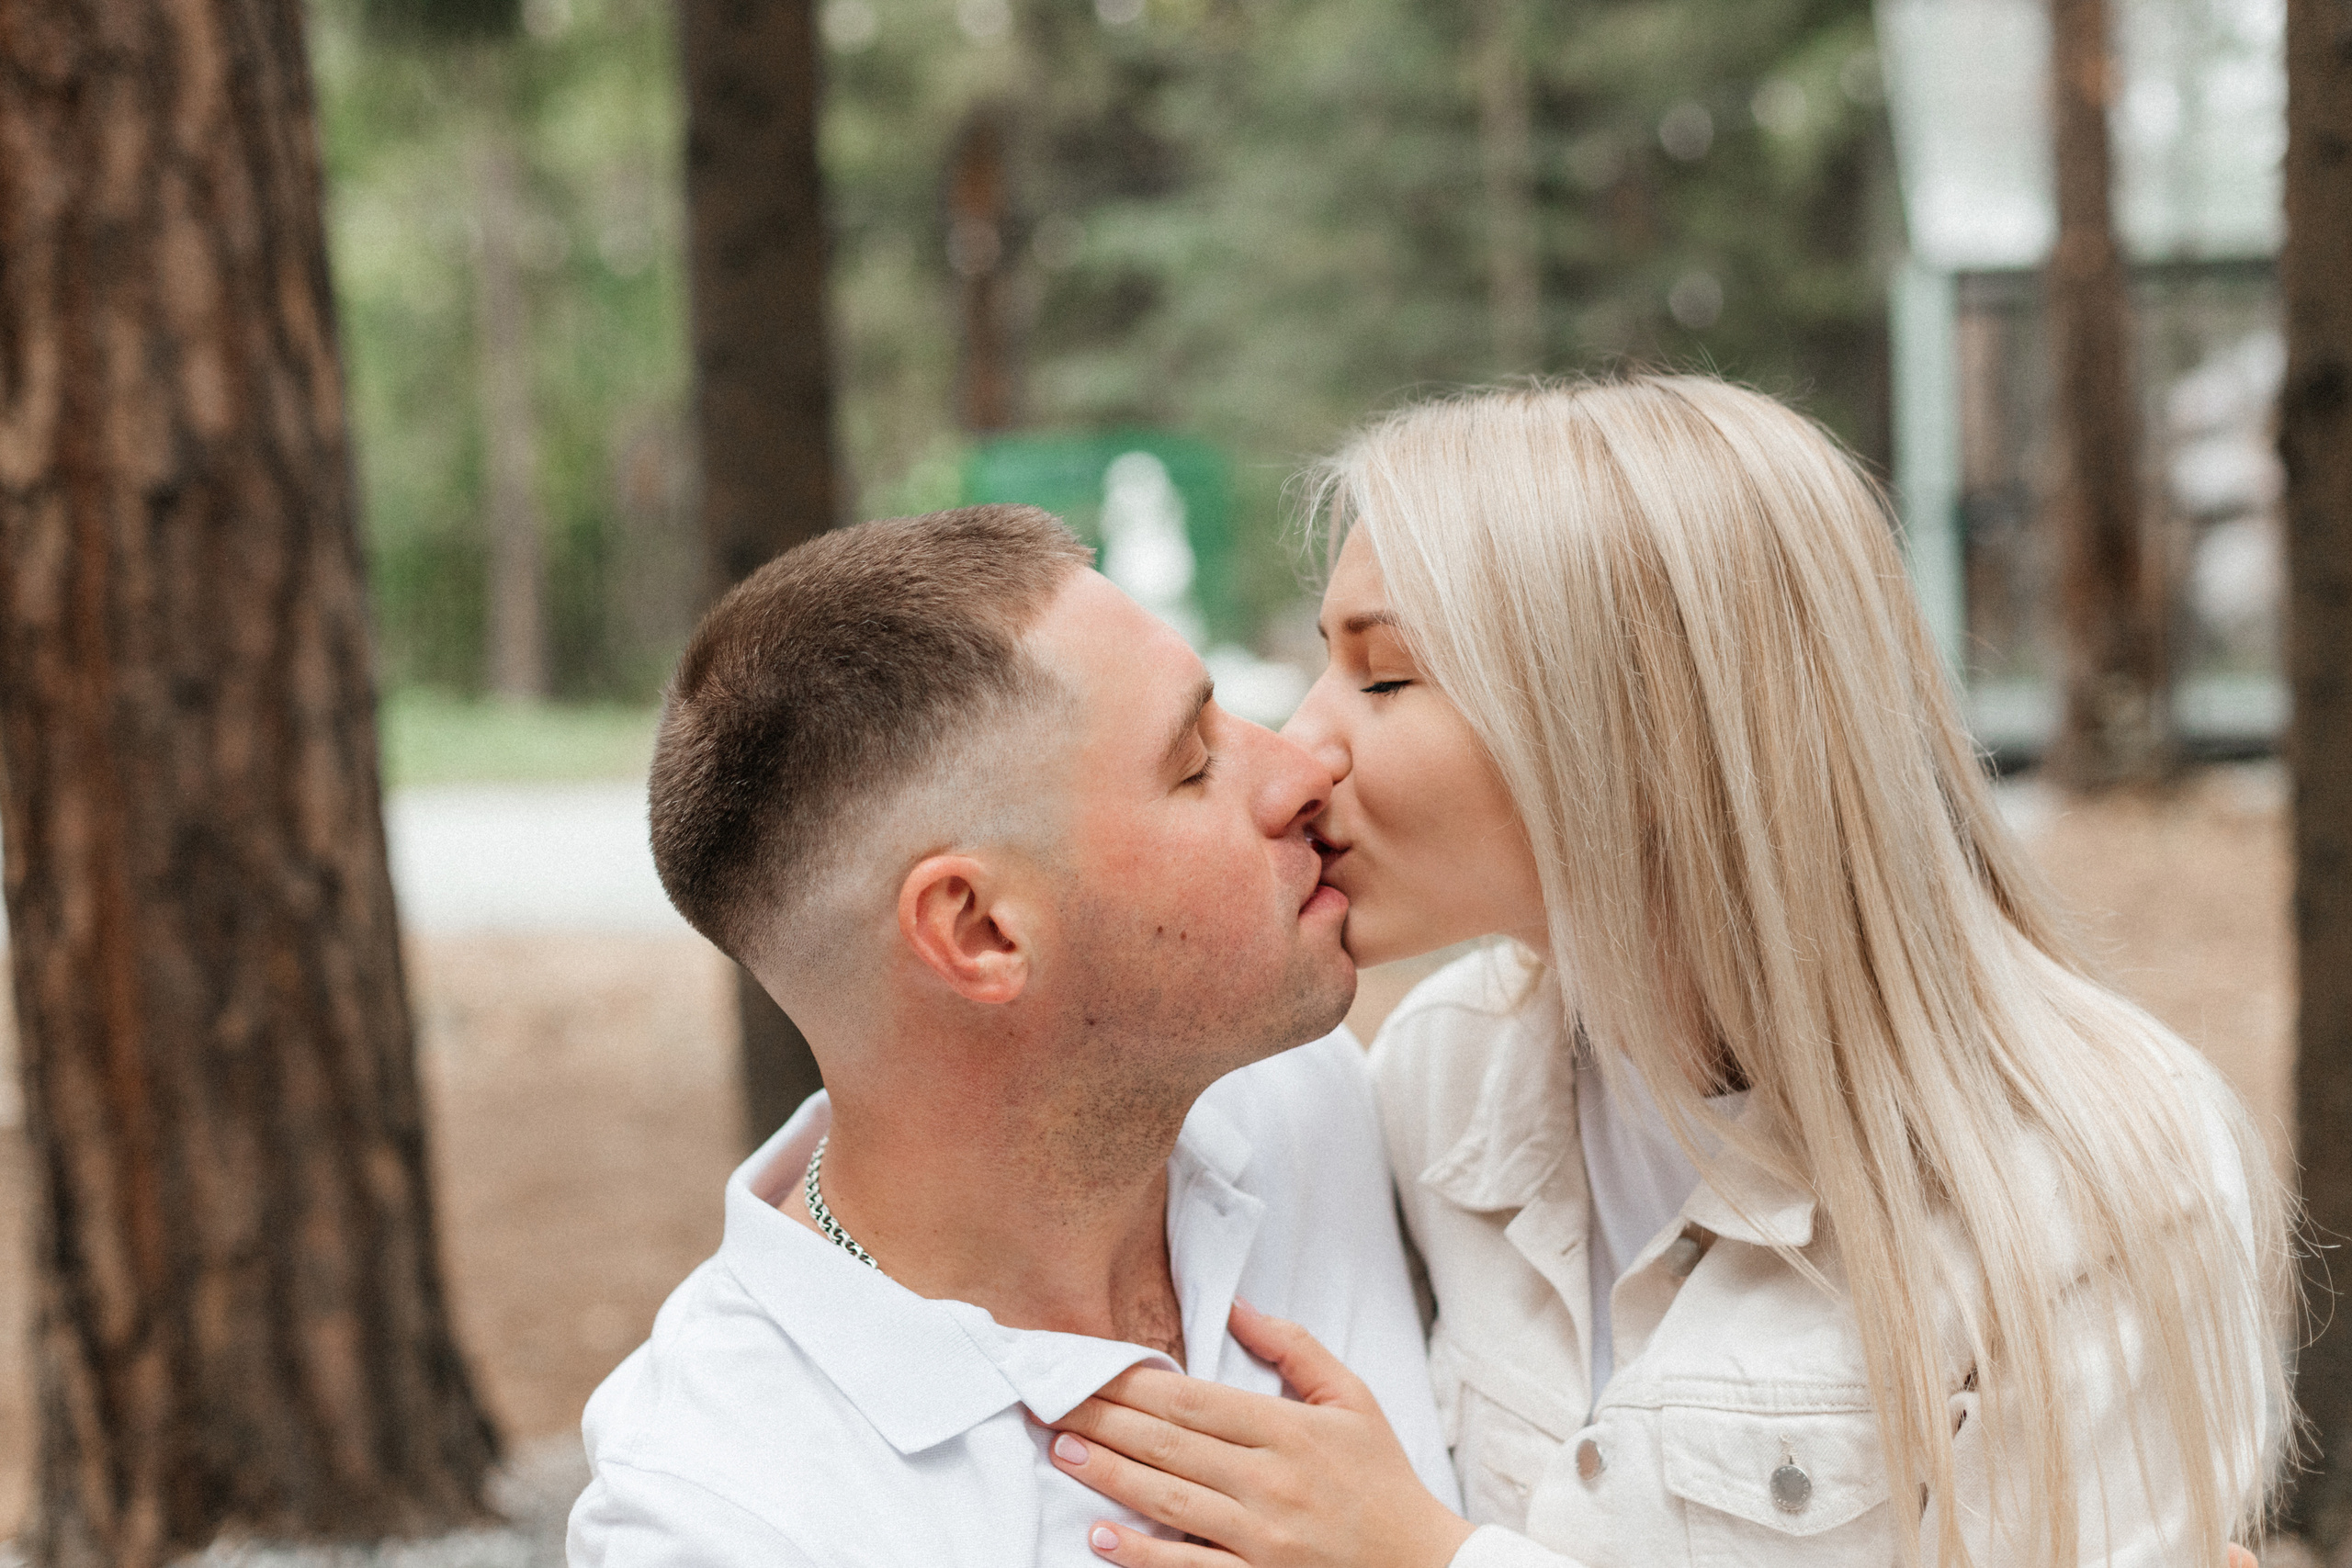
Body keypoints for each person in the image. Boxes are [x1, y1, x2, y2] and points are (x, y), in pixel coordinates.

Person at [1042, 377, 2292, 1567]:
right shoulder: (1439, 1077)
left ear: (1638, 728)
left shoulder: (2104, 1171)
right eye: (1324, 660)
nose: (1303, 748)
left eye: (1383, 675)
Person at [565, 504, 1459, 1566]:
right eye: (1194, 763)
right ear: (981, 931)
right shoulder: (726, 1509)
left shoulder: (1302, 1096)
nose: (1302, 770)